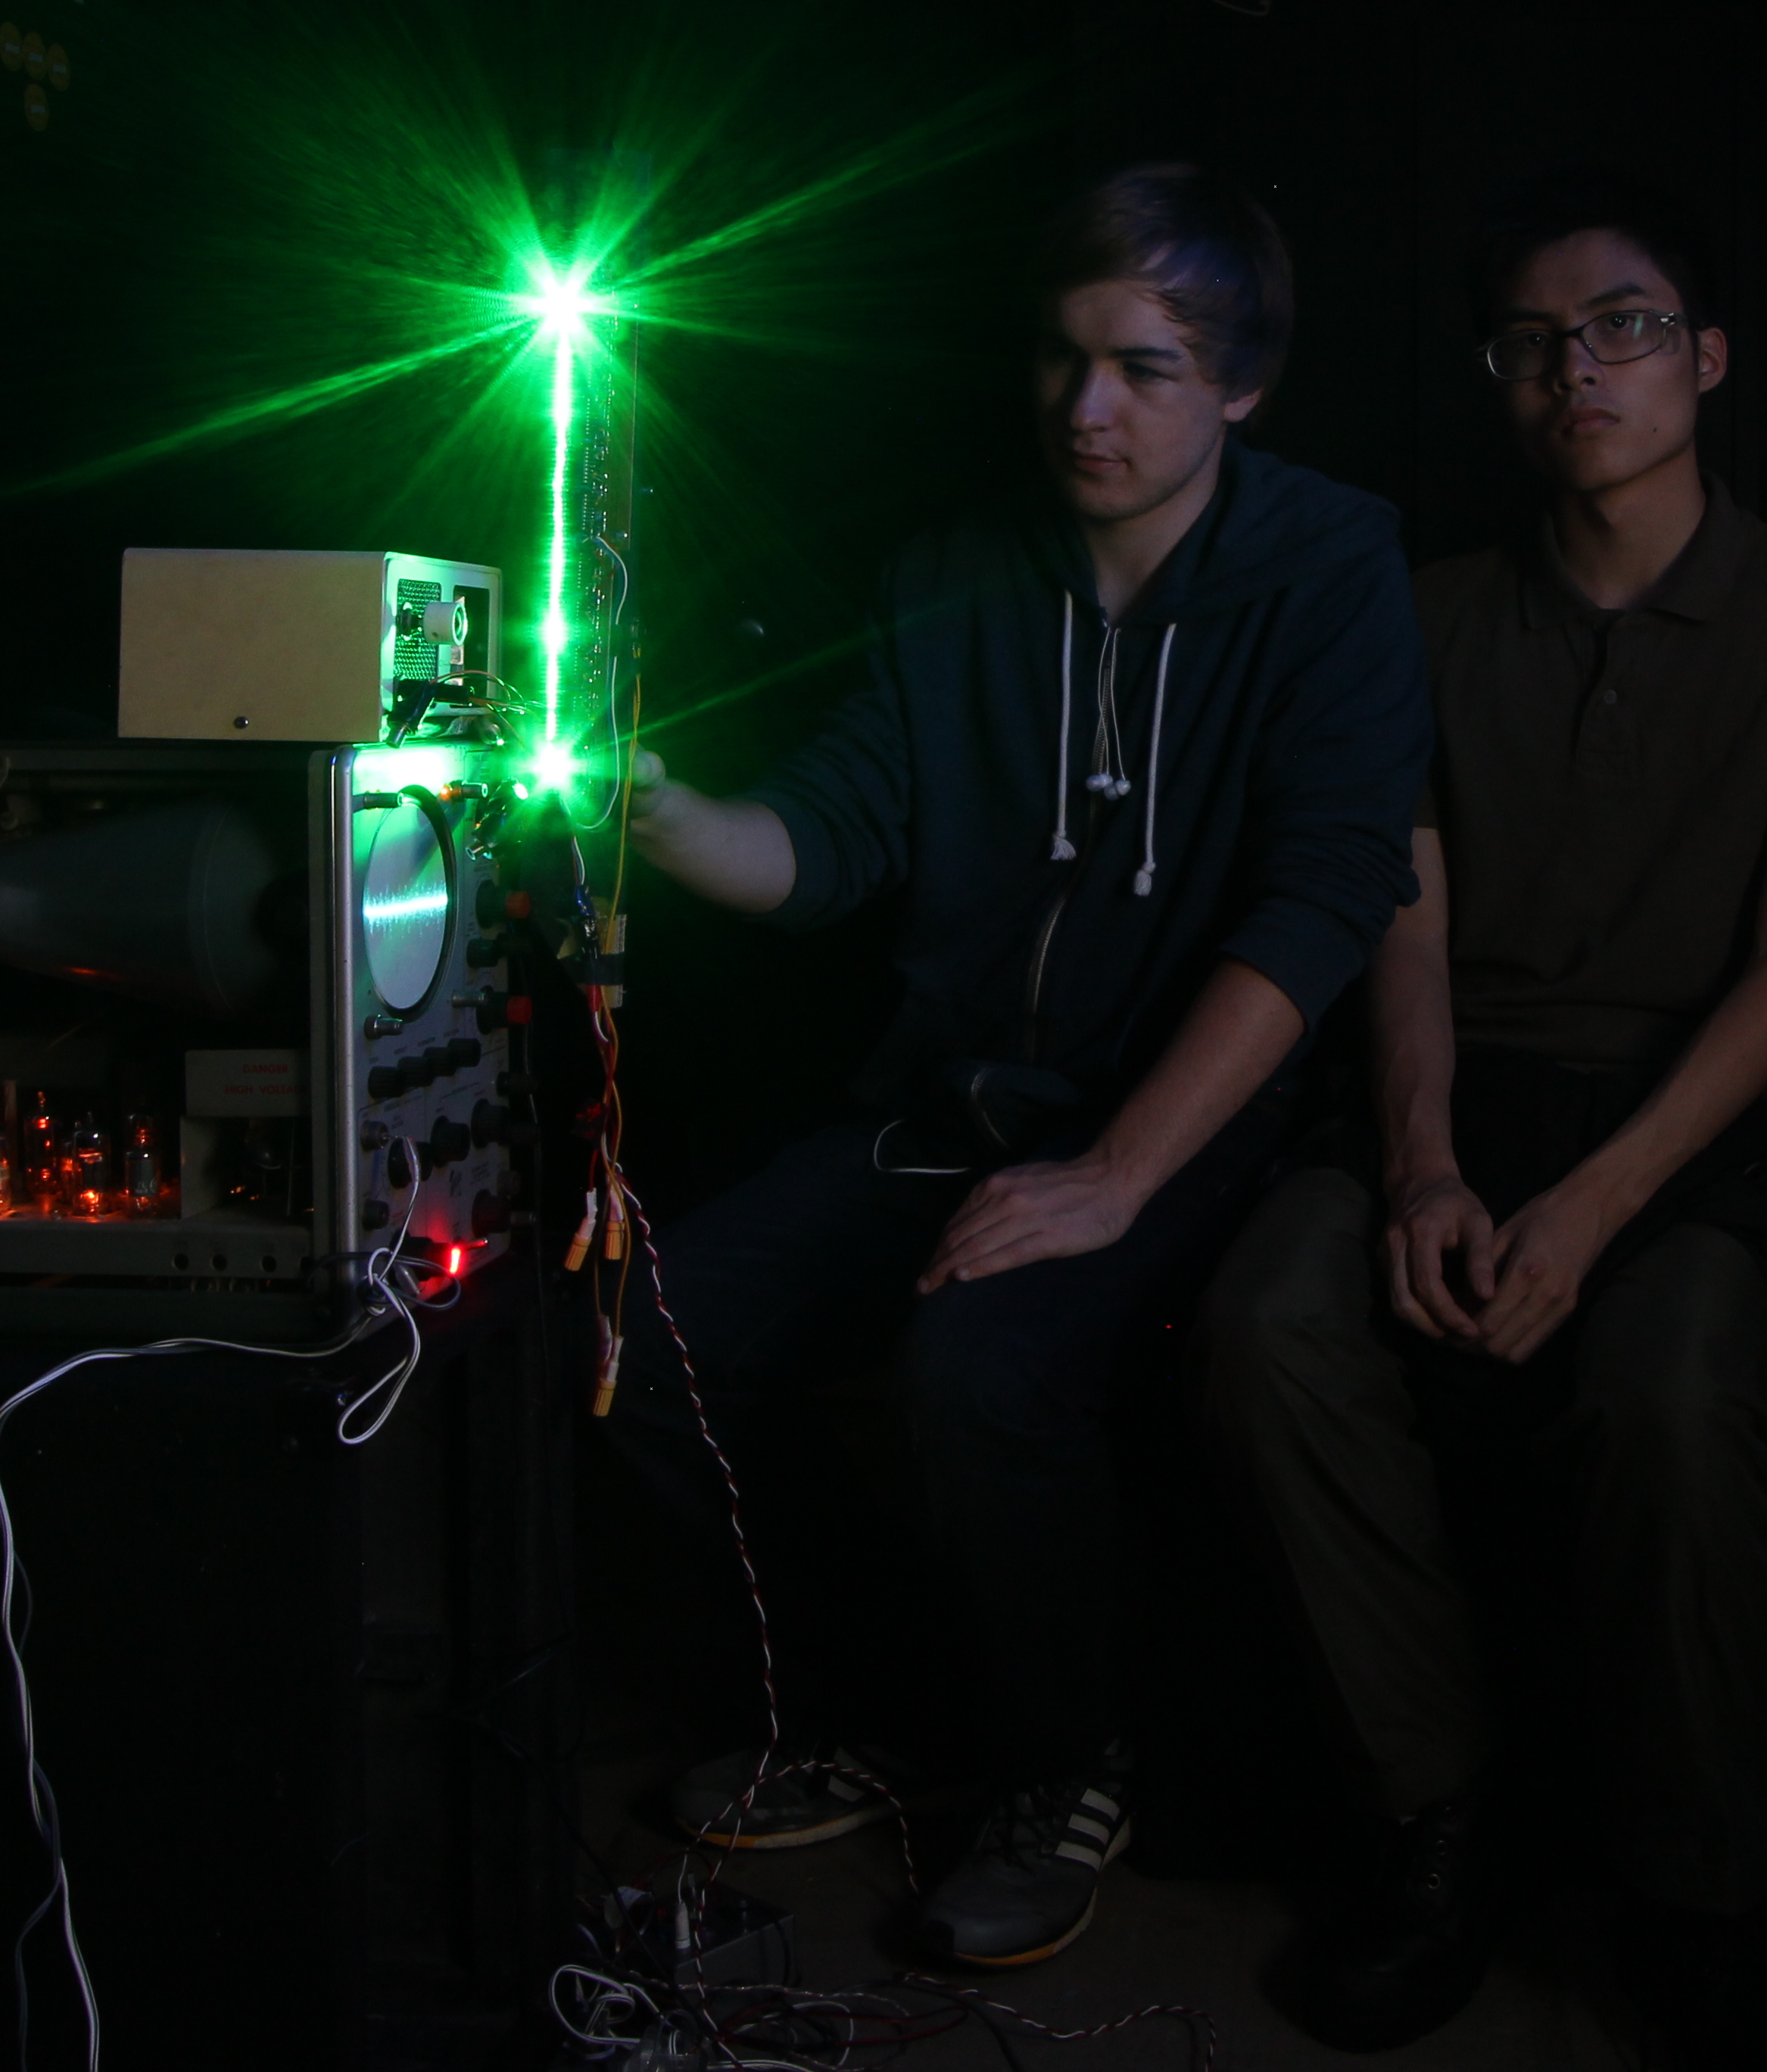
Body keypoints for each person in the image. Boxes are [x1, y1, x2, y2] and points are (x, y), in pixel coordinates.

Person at [607, 164, 1432, 1968]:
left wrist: (1120, 1174)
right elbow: (825, 840)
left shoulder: (1330, 566)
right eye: (1063, 358)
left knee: (982, 1360)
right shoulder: (957, 571)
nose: (1086, 408)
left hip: (1200, 1123)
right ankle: (859, 1709)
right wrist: (654, 812)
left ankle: (1067, 1767)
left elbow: (1324, 901)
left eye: (1144, 367)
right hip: (958, 1098)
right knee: (652, 1332)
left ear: (1243, 386)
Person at [1195, 170, 1767, 2065]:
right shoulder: (1425, 611)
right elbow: (1405, 919)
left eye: (1620, 331)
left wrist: (1596, 1209)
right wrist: (1424, 1161)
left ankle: (1697, 1899)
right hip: (1459, 1090)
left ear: (1708, 359)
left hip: (1701, 1126)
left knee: (1674, 1380)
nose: (1574, 373)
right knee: (1271, 1312)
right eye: (1531, 345)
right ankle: (1440, 1819)